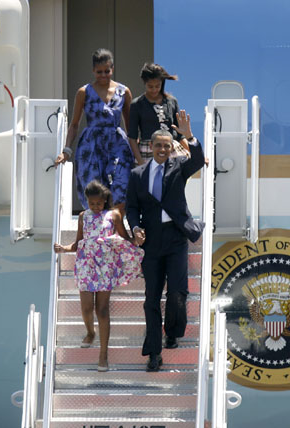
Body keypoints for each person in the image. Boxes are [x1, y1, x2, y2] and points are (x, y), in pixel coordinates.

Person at [126, 110, 205, 372]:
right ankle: (154, 354)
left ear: (172, 148)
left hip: (175, 237)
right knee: (151, 299)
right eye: (158, 145)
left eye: (166, 145)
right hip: (151, 243)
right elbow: (131, 208)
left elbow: (197, 161)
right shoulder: (138, 174)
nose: (162, 149)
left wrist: (189, 136)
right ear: (150, 147)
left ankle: (172, 331)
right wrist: (135, 228)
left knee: (176, 294)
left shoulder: (179, 167)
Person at [54, 180, 144, 371]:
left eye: (99, 203)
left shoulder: (114, 215)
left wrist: (135, 240)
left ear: (105, 201)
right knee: (86, 308)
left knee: (101, 310)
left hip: (105, 266)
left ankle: (103, 355)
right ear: (86, 201)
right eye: (91, 203)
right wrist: (64, 248)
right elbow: (79, 242)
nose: (95, 207)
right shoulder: (82, 216)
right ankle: (90, 332)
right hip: (86, 265)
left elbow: (125, 238)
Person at [55, 48, 136, 213]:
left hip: (117, 143)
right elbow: (75, 124)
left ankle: (117, 227)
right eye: (99, 72)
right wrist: (66, 150)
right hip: (91, 145)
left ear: (112, 69)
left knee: (121, 183)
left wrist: (136, 150)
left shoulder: (123, 91)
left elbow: (130, 124)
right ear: (93, 70)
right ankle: (96, 229)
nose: (104, 75)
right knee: (93, 189)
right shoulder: (84, 92)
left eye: (107, 71)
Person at [128, 63, 190, 166]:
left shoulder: (171, 101)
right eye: (150, 86)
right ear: (144, 83)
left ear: (162, 83)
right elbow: (132, 138)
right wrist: (140, 162)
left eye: (157, 86)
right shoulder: (137, 104)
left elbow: (180, 134)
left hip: (171, 149)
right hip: (147, 151)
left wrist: (193, 152)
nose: (154, 90)